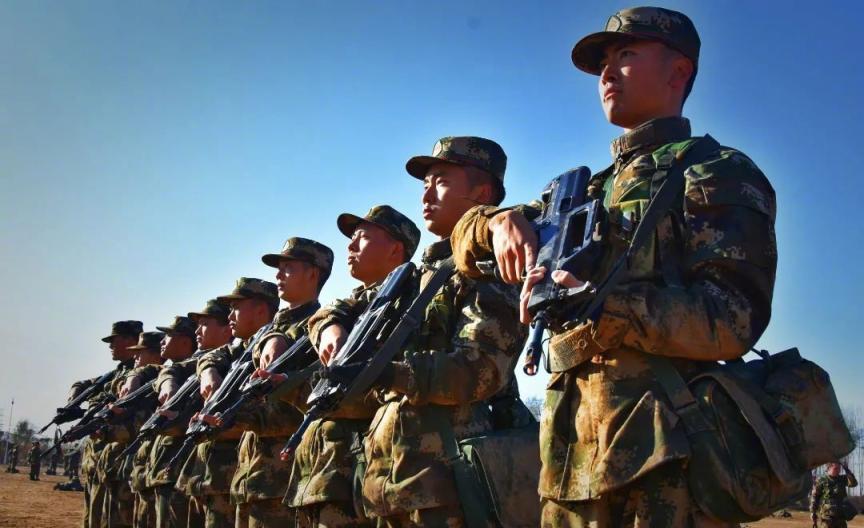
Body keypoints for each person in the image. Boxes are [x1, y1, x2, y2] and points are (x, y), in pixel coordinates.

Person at [449, 6, 777, 526]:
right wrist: (497, 221)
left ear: (679, 71)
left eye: (625, 55)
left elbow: (733, 319)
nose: (606, 73)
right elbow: (463, 242)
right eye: (602, 63)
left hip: (665, 465)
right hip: (569, 460)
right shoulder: (582, 193)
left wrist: (601, 305)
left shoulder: (714, 171)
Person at [361, 136, 530, 526]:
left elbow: (480, 369)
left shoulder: (485, 266)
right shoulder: (415, 278)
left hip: (451, 483)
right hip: (391, 482)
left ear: (482, 193)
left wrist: (389, 373)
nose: (426, 195)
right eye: (425, 184)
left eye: (441, 182)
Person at [277, 205, 419, 527]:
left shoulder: (411, 299)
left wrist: (292, 390)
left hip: (364, 472)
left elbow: (373, 390)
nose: (350, 246)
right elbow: (326, 314)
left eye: (362, 238)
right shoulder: (359, 303)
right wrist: (329, 327)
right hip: (325, 476)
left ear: (395, 249)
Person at [198, 240, 333, 528]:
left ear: (313, 274)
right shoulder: (270, 332)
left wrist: (239, 418)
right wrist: (208, 370)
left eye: (288, 268)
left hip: (281, 478)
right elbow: (218, 356)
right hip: (250, 476)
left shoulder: (321, 328)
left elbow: (309, 405)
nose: (278, 275)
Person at [171, 299, 235, 528]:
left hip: (225, 476)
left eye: (205, 324)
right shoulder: (213, 360)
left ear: (227, 330)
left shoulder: (237, 358)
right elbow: (169, 371)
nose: (197, 331)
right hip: (200, 474)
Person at [78, 320, 143, 528]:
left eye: (115, 341)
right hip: (100, 462)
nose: (111, 346)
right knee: (93, 519)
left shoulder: (141, 374)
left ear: (131, 341)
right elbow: (86, 385)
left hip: (119, 463)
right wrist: (76, 395)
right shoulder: (117, 373)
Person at [100, 330, 165, 528]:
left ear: (156, 355)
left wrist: (108, 431)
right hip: (130, 468)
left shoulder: (158, 382)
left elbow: (142, 423)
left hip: (147, 470)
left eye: (140, 353)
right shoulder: (135, 379)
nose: (135, 357)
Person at [139, 316, 199, 528]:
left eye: (169, 336)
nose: (163, 341)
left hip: (177, 473)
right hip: (160, 472)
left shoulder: (196, 371)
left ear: (185, 341)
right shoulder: (174, 372)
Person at [811, 461, 859, 528]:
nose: (838, 471)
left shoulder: (842, 479)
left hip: (841, 517)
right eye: (836, 468)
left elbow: (854, 483)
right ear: (829, 468)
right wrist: (813, 512)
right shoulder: (821, 480)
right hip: (827, 518)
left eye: (839, 469)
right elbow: (815, 497)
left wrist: (847, 470)